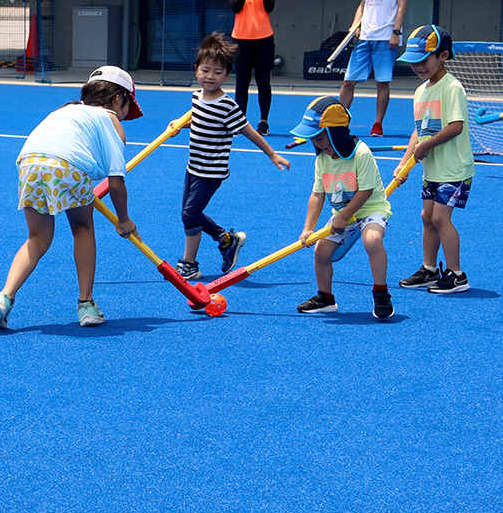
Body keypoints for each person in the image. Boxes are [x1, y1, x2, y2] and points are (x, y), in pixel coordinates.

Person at [0, 66, 143, 329]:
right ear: (117, 99)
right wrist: (124, 220)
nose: (125, 117)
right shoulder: (110, 119)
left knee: (37, 238)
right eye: (127, 108)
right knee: (82, 228)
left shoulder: (65, 110)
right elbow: (116, 181)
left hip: (29, 162)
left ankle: (3, 297)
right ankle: (86, 305)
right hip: (68, 166)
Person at [174, 33, 290, 281]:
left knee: (189, 213)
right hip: (193, 167)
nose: (210, 76)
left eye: (217, 73)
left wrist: (272, 154)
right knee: (188, 215)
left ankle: (222, 241)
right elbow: (199, 119)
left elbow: (248, 131)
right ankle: (193, 262)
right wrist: (180, 124)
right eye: (205, 70)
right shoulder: (197, 96)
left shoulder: (228, 106)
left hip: (211, 172)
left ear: (227, 77)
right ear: (196, 70)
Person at [289, 97, 394, 319]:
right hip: (342, 215)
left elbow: (365, 192)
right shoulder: (322, 159)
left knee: (372, 240)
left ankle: (381, 293)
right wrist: (308, 228)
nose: (317, 144)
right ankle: (325, 298)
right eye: (313, 140)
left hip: (369, 209)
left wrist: (344, 216)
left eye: (320, 138)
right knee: (321, 251)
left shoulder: (361, 152)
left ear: (336, 133)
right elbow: (317, 195)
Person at [395, 25, 475, 294]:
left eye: (423, 60)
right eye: (413, 62)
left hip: (454, 168)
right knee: (427, 216)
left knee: (441, 218)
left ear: (443, 56)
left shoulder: (452, 88)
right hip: (433, 170)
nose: (418, 67)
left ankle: (457, 275)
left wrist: (426, 145)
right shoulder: (421, 92)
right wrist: (405, 161)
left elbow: (456, 127)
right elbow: (418, 132)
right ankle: (429, 269)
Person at [340, 0, 410, 137]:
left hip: (386, 38)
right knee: (348, 82)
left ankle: (378, 124)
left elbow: (402, 7)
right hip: (365, 37)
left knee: (382, 82)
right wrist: (355, 26)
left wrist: (396, 32)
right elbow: (363, 5)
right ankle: (340, 121)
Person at [226, 0, 277, 135]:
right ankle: (240, 120)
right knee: (242, 81)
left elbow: (270, 7)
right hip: (241, 39)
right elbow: (235, 7)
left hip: (264, 38)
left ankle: (263, 121)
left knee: (264, 81)